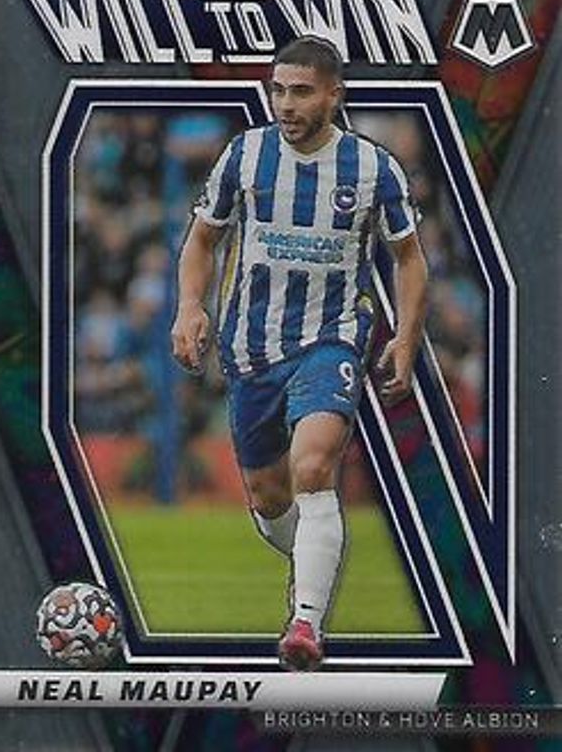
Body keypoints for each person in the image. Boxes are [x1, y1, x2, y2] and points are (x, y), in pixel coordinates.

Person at [171, 36, 428, 671]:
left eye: (301, 92)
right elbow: (202, 240)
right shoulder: (245, 155)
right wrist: (190, 306)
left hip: (332, 336)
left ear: (334, 95)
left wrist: (405, 337)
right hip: (251, 346)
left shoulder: (372, 169)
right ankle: (314, 556)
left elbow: (409, 257)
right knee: (269, 496)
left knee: (313, 466)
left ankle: (305, 623)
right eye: (278, 90)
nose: (285, 104)